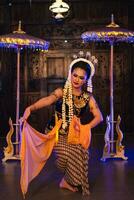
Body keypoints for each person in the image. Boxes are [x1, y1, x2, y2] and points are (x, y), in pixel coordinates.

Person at [21, 51, 103, 197]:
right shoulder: (61, 91)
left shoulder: (88, 97)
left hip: (74, 133)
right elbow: (47, 100)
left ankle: (66, 181)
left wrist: (85, 127)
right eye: (75, 75)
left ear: (86, 80)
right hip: (56, 131)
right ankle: (67, 177)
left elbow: (99, 117)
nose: (77, 79)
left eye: (81, 77)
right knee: (64, 156)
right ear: (70, 74)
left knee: (82, 154)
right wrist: (30, 108)